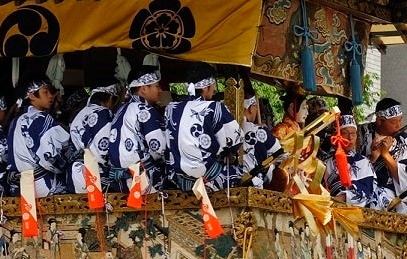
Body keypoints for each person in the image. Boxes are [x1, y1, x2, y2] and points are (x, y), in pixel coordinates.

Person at [165, 63, 242, 191]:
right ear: (206, 88)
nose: (214, 90)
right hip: (209, 178)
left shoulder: (172, 108)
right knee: (244, 174)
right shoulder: (214, 107)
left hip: (179, 180)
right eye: (213, 86)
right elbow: (235, 141)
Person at [8, 77, 72, 198]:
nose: (50, 96)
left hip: (19, 187)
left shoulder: (14, 122)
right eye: (45, 92)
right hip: (44, 185)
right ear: (32, 96)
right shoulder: (42, 118)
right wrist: (66, 164)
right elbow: (52, 155)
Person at [107, 70, 169, 193]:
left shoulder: (119, 109)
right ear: (144, 88)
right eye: (157, 86)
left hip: (119, 182)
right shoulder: (144, 109)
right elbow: (159, 148)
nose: (160, 91)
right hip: (143, 180)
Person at [360, 97, 407, 211]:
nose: (398, 126)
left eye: (400, 120)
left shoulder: (406, 142)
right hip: (362, 185)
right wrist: (373, 158)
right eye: (393, 122)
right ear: (379, 121)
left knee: (376, 200)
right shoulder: (361, 133)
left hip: (388, 194)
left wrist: (385, 155)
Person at [68, 84, 117, 194]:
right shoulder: (103, 112)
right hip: (94, 172)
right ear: (109, 98)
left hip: (75, 171)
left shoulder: (78, 114)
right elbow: (103, 148)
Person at [240, 95, 287, 190]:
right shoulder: (259, 131)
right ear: (251, 108)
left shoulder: (221, 128)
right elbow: (280, 154)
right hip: (254, 187)